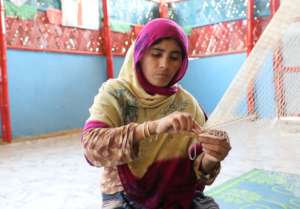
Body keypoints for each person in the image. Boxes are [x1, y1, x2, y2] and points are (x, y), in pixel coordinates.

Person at [81, 18, 231, 209]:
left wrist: (212, 157)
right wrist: (153, 128)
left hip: (178, 194)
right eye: (156, 54)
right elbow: (92, 149)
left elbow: (198, 171)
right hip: (125, 195)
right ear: (140, 54)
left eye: (174, 57)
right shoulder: (115, 94)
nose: (164, 65)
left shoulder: (187, 104)